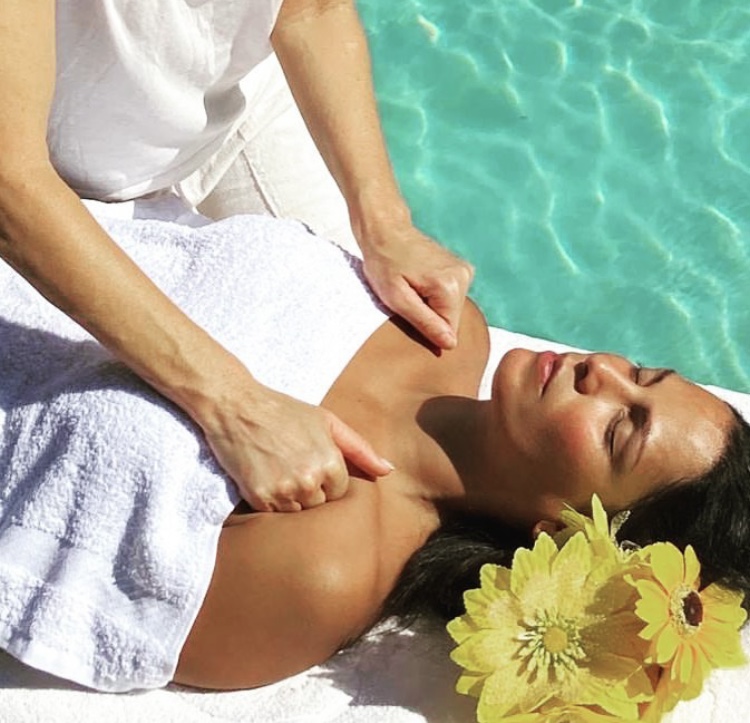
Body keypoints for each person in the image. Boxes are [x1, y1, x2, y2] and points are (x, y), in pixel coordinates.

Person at [1, 206, 748, 692]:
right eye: (641, 372)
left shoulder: (320, 569)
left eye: (620, 426)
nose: (602, 372)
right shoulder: (444, 322)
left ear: (559, 529)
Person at [0, 0, 473, 516]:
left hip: (226, 108)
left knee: (369, 330)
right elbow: (11, 185)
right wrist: (234, 404)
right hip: (45, 169)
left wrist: (387, 226)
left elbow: (311, 10)